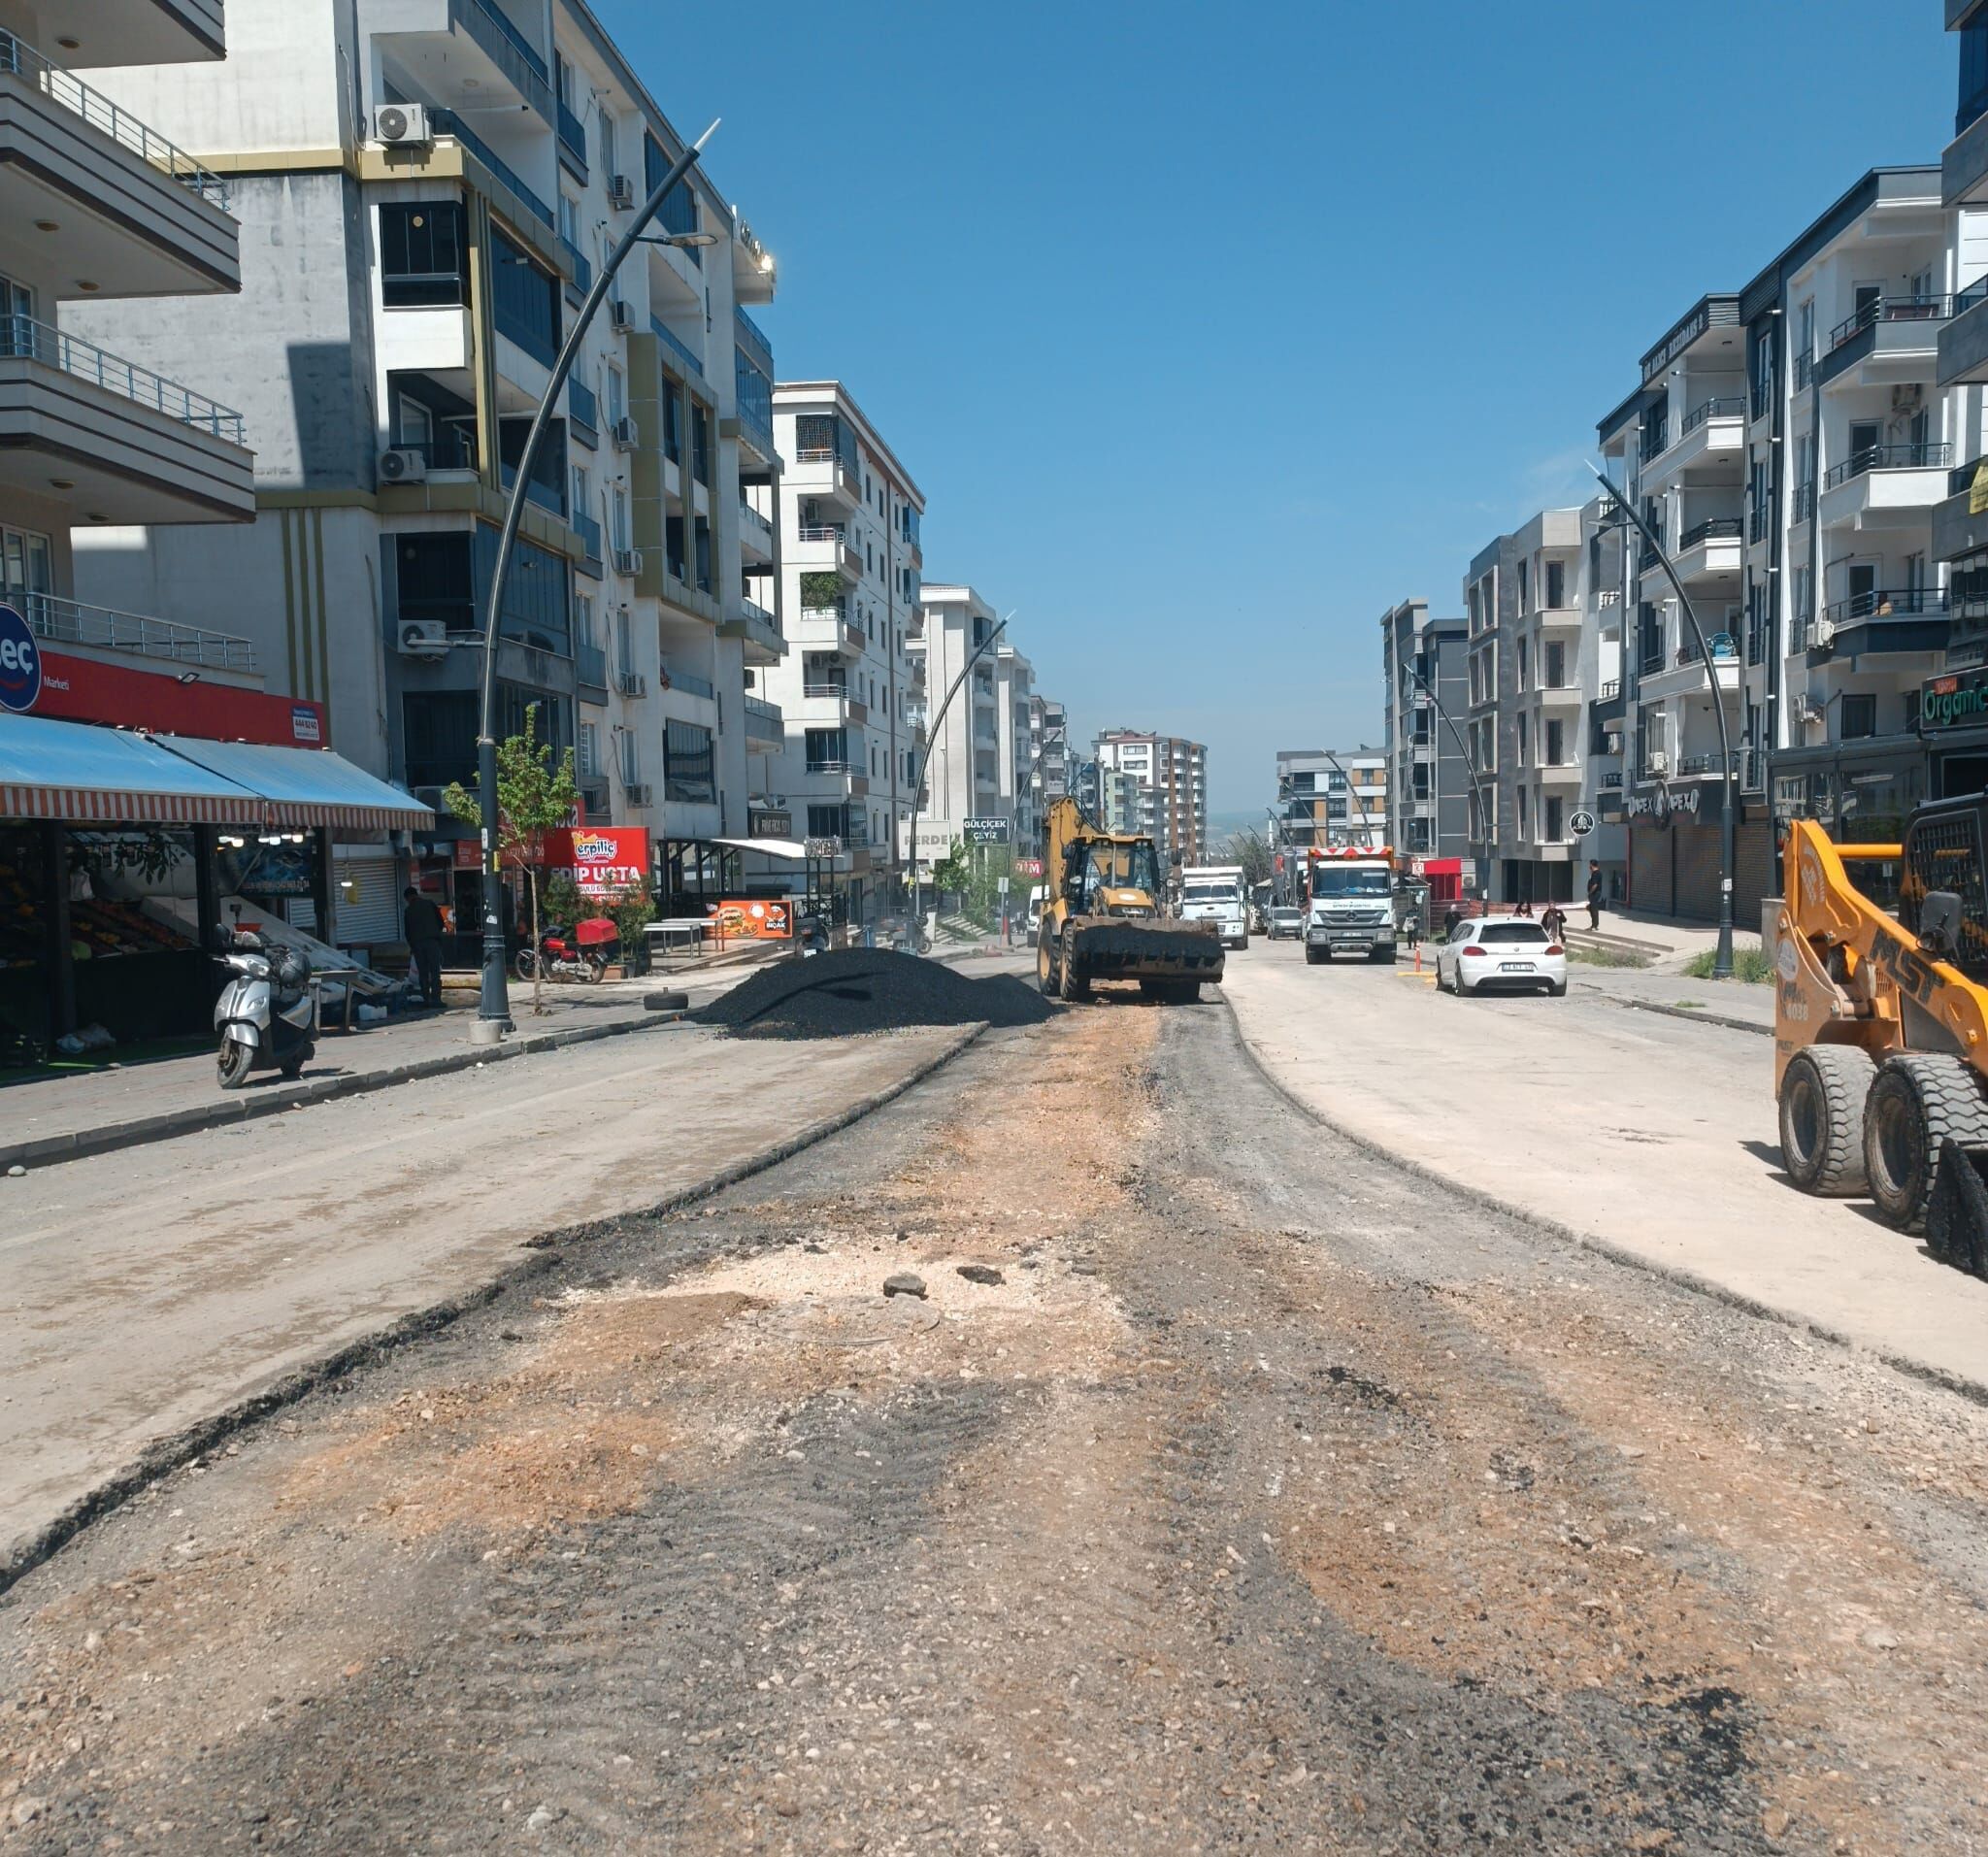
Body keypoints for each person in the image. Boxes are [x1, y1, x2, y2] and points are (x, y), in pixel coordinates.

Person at [403, 885, 446, 1008]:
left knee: (423, 973)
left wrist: (413, 946)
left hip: (417, 945)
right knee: (435, 972)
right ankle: (436, 1000)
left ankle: (426, 1000)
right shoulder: (429, 904)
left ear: (408, 898)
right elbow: (440, 922)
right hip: (433, 942)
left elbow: (407, 932)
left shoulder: (408, 911)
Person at [1586, 859, 1604, 932]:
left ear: (1592, 865)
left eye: (1590, 864)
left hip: (1595, 893)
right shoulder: (1593, 873)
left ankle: (1595, 925)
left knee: (1594, 909)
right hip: (1594, 893)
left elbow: (1595, 885)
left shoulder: (1596, 873)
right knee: (1590, 908)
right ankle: (1594, 924)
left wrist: (1590, 893)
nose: (1589, 866)